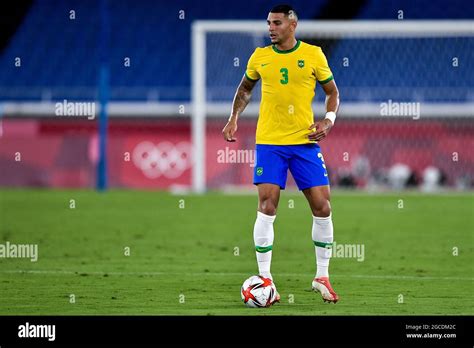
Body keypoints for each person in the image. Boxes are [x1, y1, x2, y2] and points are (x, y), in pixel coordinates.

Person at [222, 4, 340, 304]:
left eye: (276, 23)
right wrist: (234, 116)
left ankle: (322, 276)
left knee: (323, 206)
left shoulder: (313, 54)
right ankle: (265, 277)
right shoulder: (260, 57)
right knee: (267, 205)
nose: (270, 28)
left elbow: (332, 92)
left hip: (304, 142)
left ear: (292, 25)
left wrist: (328, 120)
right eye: (268, 23)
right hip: (270, 143)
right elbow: (245, 88)